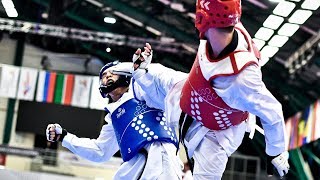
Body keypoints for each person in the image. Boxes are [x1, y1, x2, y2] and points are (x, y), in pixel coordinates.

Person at [130, 0, 290, 179]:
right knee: (149, 74)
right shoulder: (228, 23)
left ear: (200, 18)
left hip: (217, 133)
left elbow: (272, 110)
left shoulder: (241, 78)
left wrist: (276, 152)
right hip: (192, 90)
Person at [46, 61, 183, 180]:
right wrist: (64, 137)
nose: (108, 76)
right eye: (104, 76)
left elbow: (161, 83)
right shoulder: (114, 117)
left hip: (161, 160)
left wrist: (140, 69)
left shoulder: (142, 89)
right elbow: (100, 151)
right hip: (133, 168)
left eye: (113, 72)